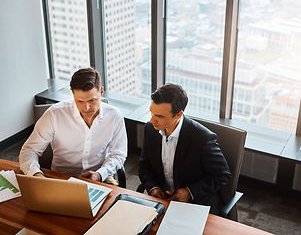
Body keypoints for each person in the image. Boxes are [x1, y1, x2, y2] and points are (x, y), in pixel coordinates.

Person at [19, 67, 127, 184]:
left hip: (99, 178)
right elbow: (29, 150)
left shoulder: (115, 116)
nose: (86, 108)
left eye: (91, 100)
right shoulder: (54, 114)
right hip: (61, 179)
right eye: (80, 101)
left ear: (101, 92)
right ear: (73, 95)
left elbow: (118, 154)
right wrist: (36, 174)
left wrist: (100, 174)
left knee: (115, 201)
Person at [139, 83, 231, 214]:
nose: (152, 120)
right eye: (152, 112)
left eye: (159, 116)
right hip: (161, 201)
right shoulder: (150, 129)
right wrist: (153, 188)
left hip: (195, 204)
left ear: (178, 115)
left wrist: (189, 192)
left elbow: (222, 175)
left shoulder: (202, 138)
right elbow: (145, 166)